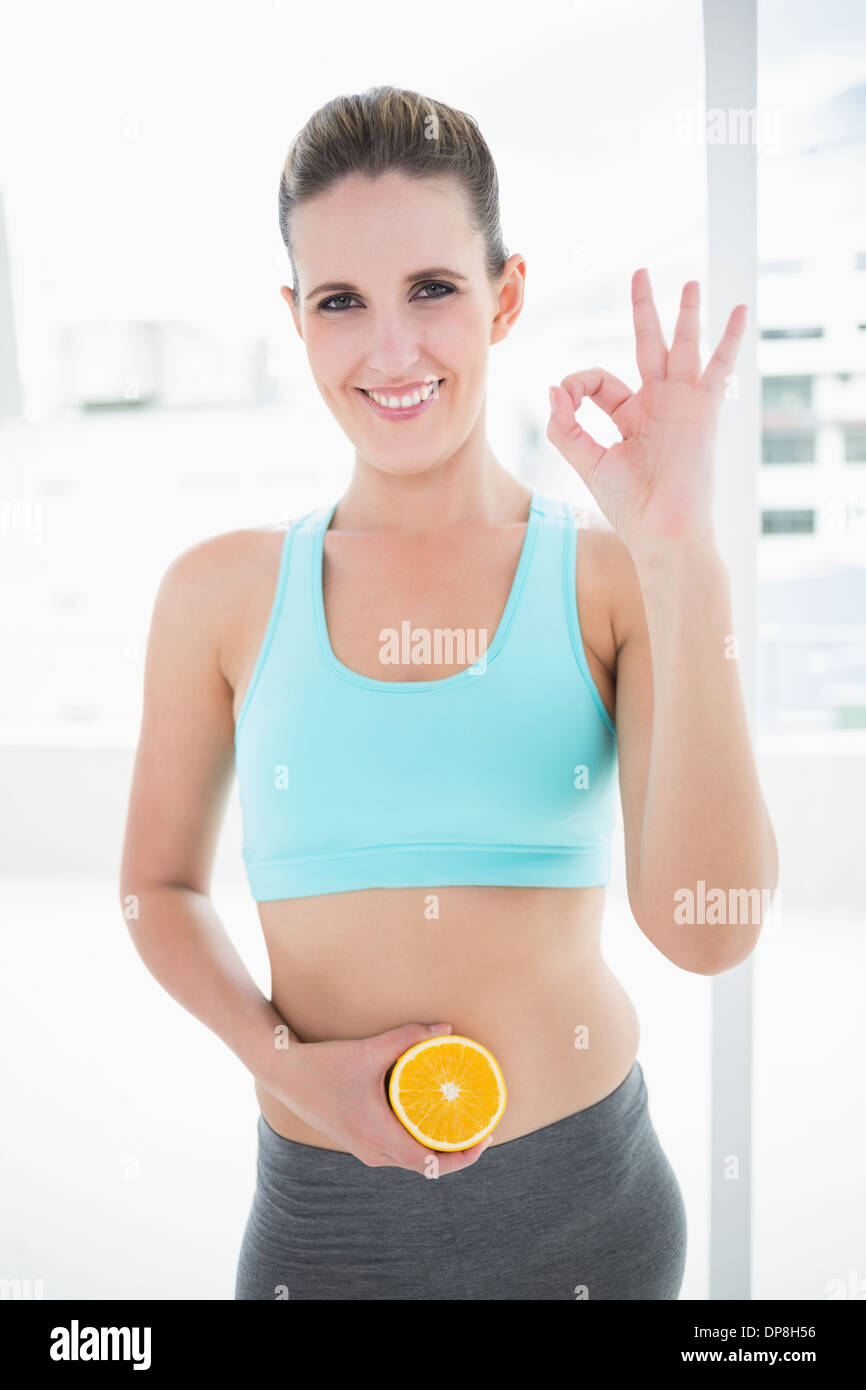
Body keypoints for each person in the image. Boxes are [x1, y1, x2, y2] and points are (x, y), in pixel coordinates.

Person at [118, 84, 779, 1301]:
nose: (390, 350)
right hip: (324, 1228)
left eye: (431, 288)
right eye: (340, 303)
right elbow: (155, 890)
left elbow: (707, 927)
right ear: (295, 320)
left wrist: (681, 557)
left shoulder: (608, 577)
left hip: (591, 1214)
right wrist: (287, 1065)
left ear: (505, 298)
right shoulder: (218, 592)